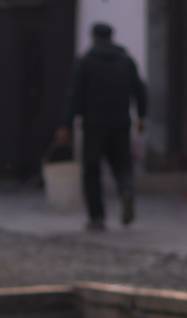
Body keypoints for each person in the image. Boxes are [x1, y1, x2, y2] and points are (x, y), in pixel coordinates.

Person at [55, 22, 147, 231]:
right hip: (121, 123)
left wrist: (65, 124)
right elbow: (140, 90)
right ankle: (126, 192)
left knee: (92, 170)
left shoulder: (86, 62)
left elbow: (74, 95)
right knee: (122, 165)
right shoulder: (126, 61)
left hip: (94, 125)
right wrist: (142, 116)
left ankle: (97, 217)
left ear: (93, 37)